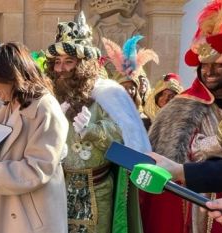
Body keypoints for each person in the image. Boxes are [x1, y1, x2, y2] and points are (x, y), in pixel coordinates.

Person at [44, 12, 151, 233]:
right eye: (57, 62)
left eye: (69, 62)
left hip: (97, 189)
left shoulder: (107, 93)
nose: (61, 69)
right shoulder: (51, 96)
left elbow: (123, 137)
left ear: (83, 64)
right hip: (59, 188)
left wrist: (91, 130)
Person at [0, 42, 68, 232]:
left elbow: (39, 168)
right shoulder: (7, 107)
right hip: (9, 209)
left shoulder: (45, 108)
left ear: (11, 76)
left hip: (33, 217)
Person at [146, 0, 222, 232]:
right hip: (194, 201)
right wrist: (217, 142)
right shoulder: (182, 106)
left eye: (218, 65)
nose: (208, 71)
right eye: (203, 65)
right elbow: (178, 155)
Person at [101, 35, 159, 129]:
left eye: (132, 88)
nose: (129, 91)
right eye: (124, 87)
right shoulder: (106, 111)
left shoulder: (143, 118)